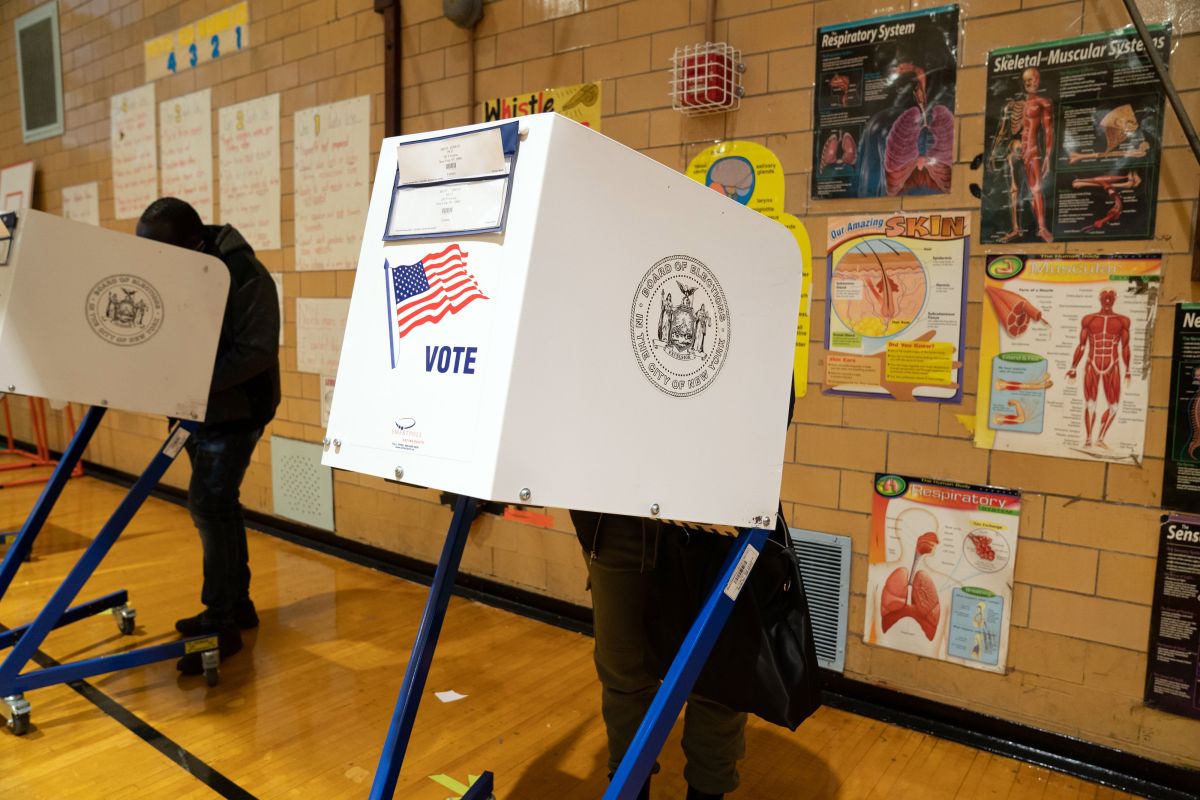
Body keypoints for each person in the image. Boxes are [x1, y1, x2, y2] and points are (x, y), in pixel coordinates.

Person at [570, 381, 796, 800]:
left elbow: (776, 389)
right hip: (616, 506)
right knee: (623, 668)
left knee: (718, 673)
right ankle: (628, 788)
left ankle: (706, 792)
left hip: (716, 502)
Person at [136, 197, 280, 674]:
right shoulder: (186, 260)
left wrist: (192, 382)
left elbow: (256, 352)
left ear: (194, 243)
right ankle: (236, 606)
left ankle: (221, 625)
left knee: (209, 505)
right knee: (220, 509)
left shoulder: (244, 274)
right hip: (194, 408)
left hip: (235, 410)